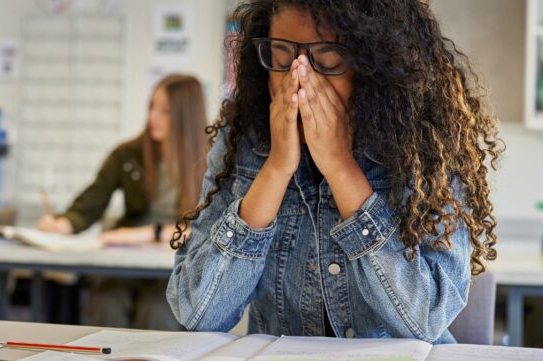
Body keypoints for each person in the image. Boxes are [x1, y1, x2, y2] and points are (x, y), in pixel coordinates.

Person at [167, 0, 503, 343]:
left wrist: (340, 168)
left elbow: (424, 319)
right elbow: (198, 313)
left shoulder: (423, 139)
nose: (299, 77)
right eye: (281, 54)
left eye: (326, 57)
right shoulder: (241, 133)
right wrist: (275, 170)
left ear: (374, 65)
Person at [37, 74, 208, 330]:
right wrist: (64, 224)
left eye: (165, 111)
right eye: (151, 107)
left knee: (158, 309)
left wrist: (151, 233)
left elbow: (212, 227)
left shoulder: (213, 160)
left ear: (186, 116)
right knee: (105, 301)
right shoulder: (127, 154)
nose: (153, 117)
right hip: (127, 261)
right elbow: (91, 201)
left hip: (177, 265)